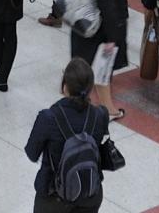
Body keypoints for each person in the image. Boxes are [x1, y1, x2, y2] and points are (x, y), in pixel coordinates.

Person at [24, 58, 112, 213]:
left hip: (53, 197)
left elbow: (32, 153)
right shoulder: (100, 115)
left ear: (65, 86)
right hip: (90, 193)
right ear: (90, 88)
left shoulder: (48, 117)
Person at [64, 0, 128, 121]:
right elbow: (107, 3)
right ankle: (106, 110)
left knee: (79, 68)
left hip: (80, 23)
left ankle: (75, 106)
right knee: (101, 71)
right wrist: (113, 36)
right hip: (98, 30)